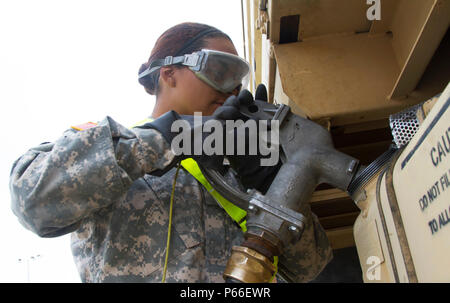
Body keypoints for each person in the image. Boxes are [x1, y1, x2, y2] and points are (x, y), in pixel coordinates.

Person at [9, 22, 332, 283]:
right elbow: (30, 199)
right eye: (221, 71)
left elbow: (309, 267)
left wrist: (271, 187)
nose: (232, 90)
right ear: (168, 73)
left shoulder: (236, 172)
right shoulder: (108, 154)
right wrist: (170, 136)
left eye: (238, 81)